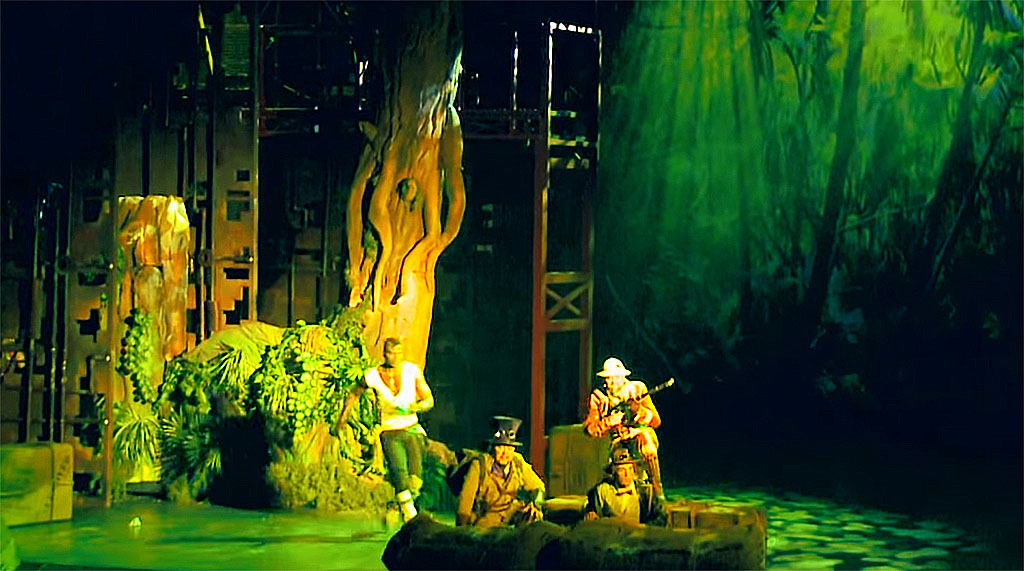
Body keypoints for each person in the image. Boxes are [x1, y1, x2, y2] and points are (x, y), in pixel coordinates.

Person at [338, 338, 434, 511]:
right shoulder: (372, 375)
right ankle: (408, 513)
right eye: (391, 353)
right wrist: (342, 419)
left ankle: (401, 507)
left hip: (412, 428)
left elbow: (429, 400)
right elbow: (353, 394)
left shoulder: (411, 371)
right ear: (384, 354)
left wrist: (415, 407)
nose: (395, 357)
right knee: (399, 472)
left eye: (398, 353)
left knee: (416, 478)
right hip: (390, 430)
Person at [582, 357, 666, 500]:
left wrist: (639, 411)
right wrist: (609, 422)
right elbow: (590, 429)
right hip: (616, 441)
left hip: (638, 434)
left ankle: (657, 490)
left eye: (615, 377)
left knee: (647, 442)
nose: (611, 382)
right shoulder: (599, 397)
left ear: (623, 377)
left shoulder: (638, 389)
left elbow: (656, 421)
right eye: (608, 378)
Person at [455, 416, 546, 528]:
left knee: (534, 516)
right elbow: (465, 502)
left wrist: (536, 504)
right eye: (500, 447)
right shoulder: (480, 465)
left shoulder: (517, 462)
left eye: (509, 448)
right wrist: (462, 531)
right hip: (486, 520)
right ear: (493, 448)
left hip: (510, 514)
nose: (505, 453)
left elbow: (538, 487)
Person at [583, 446, 667, 526]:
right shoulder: (603, 490)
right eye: (622, 470)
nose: (627, 474)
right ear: (614, 471)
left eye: (630, 469)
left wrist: (644, 528)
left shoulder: (645, 492)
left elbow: (661, 517)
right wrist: (591, 512)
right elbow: (592, 511)